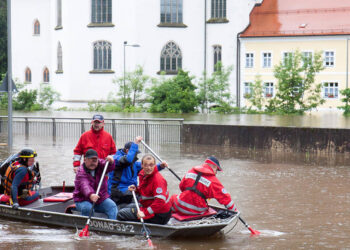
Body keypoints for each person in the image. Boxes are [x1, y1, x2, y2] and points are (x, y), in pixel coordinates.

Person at [108, 136, 167, 208]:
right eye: (135, 153)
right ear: (127, 151)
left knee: (144, 195)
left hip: (131, 189)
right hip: (118, 190)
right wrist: (135, 143)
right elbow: (127, 160)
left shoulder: (134, 164)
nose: (136, 155)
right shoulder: (116, 159)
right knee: (138, 200)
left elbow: (147, 168)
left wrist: (161, 166)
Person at [171, 156, 238, 216]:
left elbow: (181, 186)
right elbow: (226, 199)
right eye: (217, 170)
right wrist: (235, 212)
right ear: (214, 167)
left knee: (173, 197)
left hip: (179, 205)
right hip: (197, 210)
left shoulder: (191, 171)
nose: (216, 172)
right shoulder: (214, 181)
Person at [117, 154, 171, 225]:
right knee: (123, 206)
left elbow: (160, 202)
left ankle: (136, 229)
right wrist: (136, 190)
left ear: (155, 165)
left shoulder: (158, 180)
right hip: (148, 206)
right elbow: (145, 191)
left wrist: (145, 213)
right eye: (146, 165)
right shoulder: (142, 174)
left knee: (121, 214)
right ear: (141, 165)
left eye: (151, 165)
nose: (148, 168)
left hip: (159, 214)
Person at [73, 149, 117, 219]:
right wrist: (91, 194)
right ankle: (88, 227)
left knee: (112, 206)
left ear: (97, 160)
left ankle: (113, 226)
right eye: (90, 161)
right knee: (88, 209)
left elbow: (109, 166)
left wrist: (111, 161)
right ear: (85, 160)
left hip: (100, 198)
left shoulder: (101, 164)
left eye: (95, 161)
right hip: (83, 199)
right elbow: (85, 185)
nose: (93, 163)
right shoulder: (80, 172)